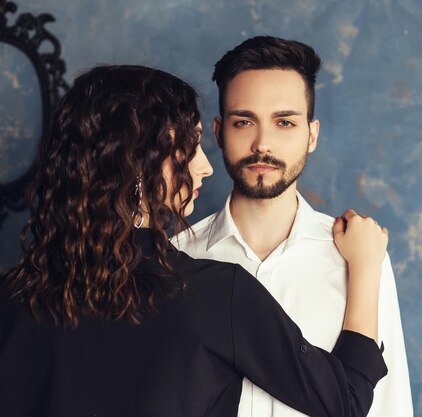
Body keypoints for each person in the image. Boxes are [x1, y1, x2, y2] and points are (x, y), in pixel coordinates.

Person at [0, 65, 390, 417]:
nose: (204, 166)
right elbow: (346, 401)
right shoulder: (216, 294)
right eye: (189, 148)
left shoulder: (12, 295)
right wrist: (367, 266)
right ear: (137, 163)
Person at [173, 36, 413, 417]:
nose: (262, 143)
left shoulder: (360, 259)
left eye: (284, 122)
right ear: (218, 132)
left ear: (312, 135)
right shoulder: (176, 257)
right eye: (243, 121)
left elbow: (389, 406)